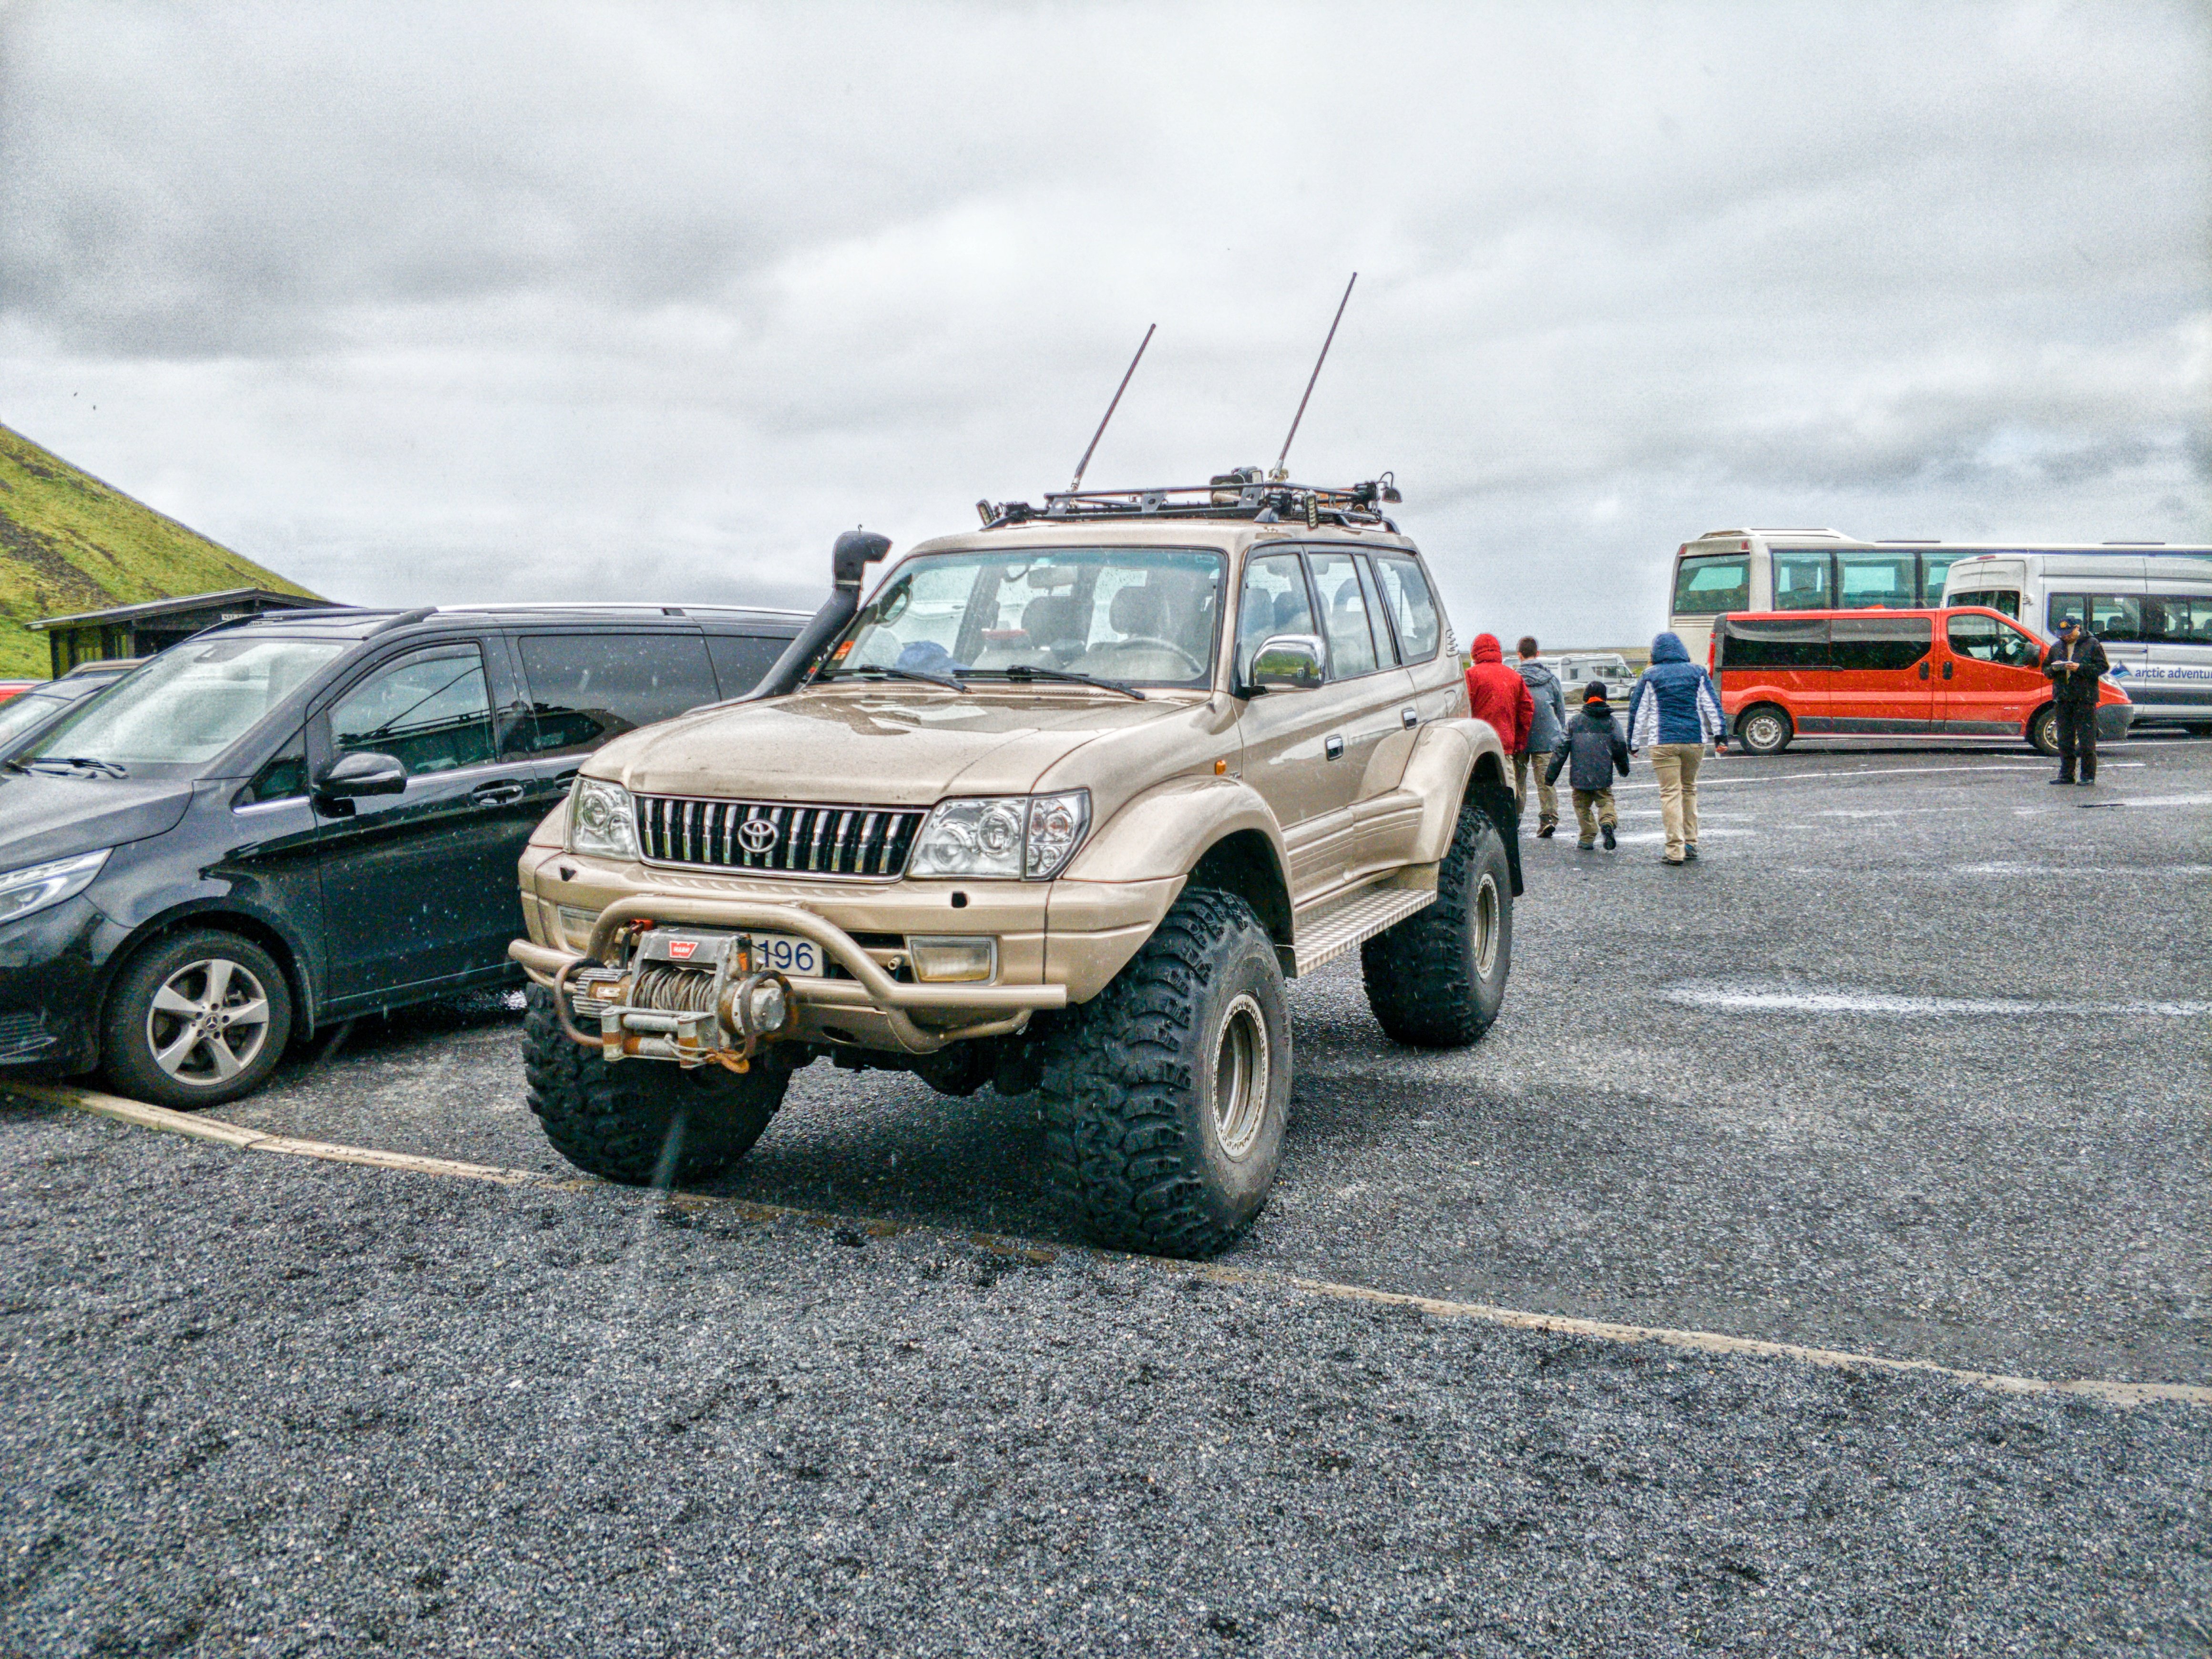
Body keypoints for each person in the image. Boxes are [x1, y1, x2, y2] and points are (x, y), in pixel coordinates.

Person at [1627, 630, 1726, 866]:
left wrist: (1633, 743)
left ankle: (1674, 850)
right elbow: (1712, 705)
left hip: (1663, 741)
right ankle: (1691, 843)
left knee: (1670, 793)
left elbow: (1638, 711)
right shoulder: (1698, 672)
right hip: (1694, 740)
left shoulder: (1650, 675)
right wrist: (1720, 736)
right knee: (1689, 789)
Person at [1546, 681, 1630, 850]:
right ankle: (1607, 822)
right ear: (1605, 698)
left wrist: (1551, 775)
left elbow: (1561, 748)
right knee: (1605, 800)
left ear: (1586, 698)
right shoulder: (1611, 722)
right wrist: (1623, 768)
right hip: (1602, 774)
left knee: (1581, 806)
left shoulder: (1575, 722)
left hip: (1580, 775)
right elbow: (1620, 745)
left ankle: (1587, 836)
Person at [2041, 614, 2109, 786]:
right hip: (2063, 698)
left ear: (2078, 628)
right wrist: (2055, 669)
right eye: (2062, 634)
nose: (2065, 637)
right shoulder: (2057, 647)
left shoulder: (2092, 644)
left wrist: (2081, 668)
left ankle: (2088, 775)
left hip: (2085, 698)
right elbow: (2046, 669)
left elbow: (2102, 667)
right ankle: (2066, 774)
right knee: (2064, 740)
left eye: (2068, 633)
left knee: (2087, 740)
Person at [1513, 636, 1566, 838]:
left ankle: (1514, 819)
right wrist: (1560, 735)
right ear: (1538, 654)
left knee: (1517, 781)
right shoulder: (1551, 679)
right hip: (1546, 736)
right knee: (1546, 782)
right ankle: (1548, 819)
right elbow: (1560, 711)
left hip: (1520, 736)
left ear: (1519, 655)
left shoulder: (1513, 679)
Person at [1464, 634, 1534, 772]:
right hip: (1505, 745)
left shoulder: (1470, 676)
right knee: (1507, 782)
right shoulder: (1515, 677)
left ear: (1475, 653)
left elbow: (1462, 711)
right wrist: (1519, 743)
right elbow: (1526, 712)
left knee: (1477, 783)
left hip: (1477, 746)